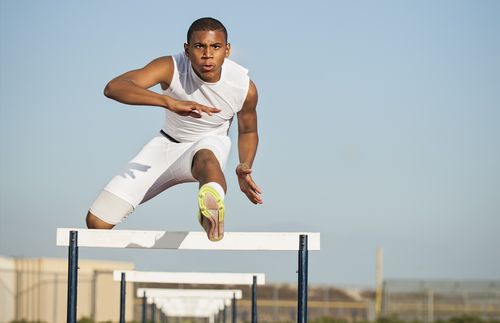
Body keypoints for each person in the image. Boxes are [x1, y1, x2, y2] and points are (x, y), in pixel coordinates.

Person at [85, 17, 262, 242]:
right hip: (166, 146)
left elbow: (248, 131)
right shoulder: (171, 67)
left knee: (207, 156)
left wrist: (244, 165)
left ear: (227, 50)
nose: (208, 54)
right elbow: (114, 88)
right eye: (200, 46)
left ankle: (211, 214)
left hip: (210, 143)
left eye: (215, 47)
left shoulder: (243, 87)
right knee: (96, 223)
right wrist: (168, 102)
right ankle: (209, 210)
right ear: (187, 50)